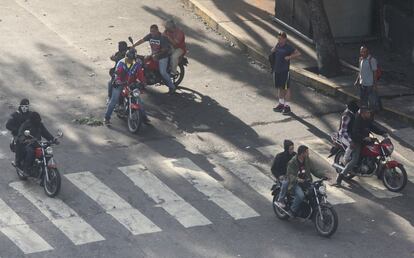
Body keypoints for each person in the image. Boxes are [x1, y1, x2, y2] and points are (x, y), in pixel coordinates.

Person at [334, 106, 387, 186]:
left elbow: (372, 127)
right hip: (357, 141)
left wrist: (382, 132)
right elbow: (355, 134)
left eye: (369, 112)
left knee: (374, 151)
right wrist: (364, 138)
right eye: (368, 113)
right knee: (355, 159)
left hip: (365, 139)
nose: (369, 114)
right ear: (363, 113)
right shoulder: (356, 121)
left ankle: (376, 170)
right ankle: (340, 176)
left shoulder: (367, 119)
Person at [104, 48, 149, 125]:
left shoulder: (137, 64)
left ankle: (144, 118)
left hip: (131, 83)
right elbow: (117, 73)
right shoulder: (121, 63)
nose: (129, 60)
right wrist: (118, 80)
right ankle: (107, 118)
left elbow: (140, 74)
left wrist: (143, 82)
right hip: (120, 83)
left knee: (138, 100)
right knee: (114, 100)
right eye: (128, 58)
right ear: (126, 57)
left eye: (131, 59)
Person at [132, 24, 175, 94]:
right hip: (154, 55)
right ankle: (144, 81)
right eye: (151, 31)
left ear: (157, 31)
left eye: (154, 31)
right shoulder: (150, 35)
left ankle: (172, 87)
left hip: (163, 56)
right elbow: (142, 40)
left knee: (163, 72)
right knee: (144, 64)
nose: (152, 33)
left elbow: (165, 49)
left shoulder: (162, 37)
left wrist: (157, 54)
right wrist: (133, 46)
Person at [286, 145, 326, 217]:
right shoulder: (292, 162)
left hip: (306, 182)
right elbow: (290, 175)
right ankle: (292, 210)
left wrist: (323, 175)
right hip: (295, 183)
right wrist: (298, 179)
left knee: (317, 192)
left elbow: (314, 170)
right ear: (302, 153)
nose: (308, 154)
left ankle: (313, 209)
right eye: (307, 152)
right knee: (301, 196)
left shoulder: (307, 159)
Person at [270, 31, 301, 115]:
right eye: (278, 38)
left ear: (285, 39)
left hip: (284, 71)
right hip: (277, 70)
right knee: (280, 87)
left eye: (280, 39)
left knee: (287, 88)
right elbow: (273, 52)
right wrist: (273, 50)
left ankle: (287, 106)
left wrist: (289, 57)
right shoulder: (277, 45)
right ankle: (281, 104)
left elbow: (298, 53)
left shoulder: (288, 47)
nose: (278, 40)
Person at [6, 98, 32, 167]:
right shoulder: (15, 115)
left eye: (26, 106)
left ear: (28, 107)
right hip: (18, 134)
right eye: (23, 106)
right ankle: (17, 162)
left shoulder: (31, 114)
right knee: (20, 143)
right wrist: (16, 130)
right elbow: (8, 125)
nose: (24, 108)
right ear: (20, 106)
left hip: (29, 133)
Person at [271, 140, 296, 208]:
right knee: (285, 183)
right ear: (286, 149)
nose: (292, 150)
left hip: (293, 176)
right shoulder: (279, 157)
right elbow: (273, 169)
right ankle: (280, 200)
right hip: (284, 177)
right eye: (291, 149)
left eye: (293, 148)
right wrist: (279, 176)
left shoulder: (295, 155)